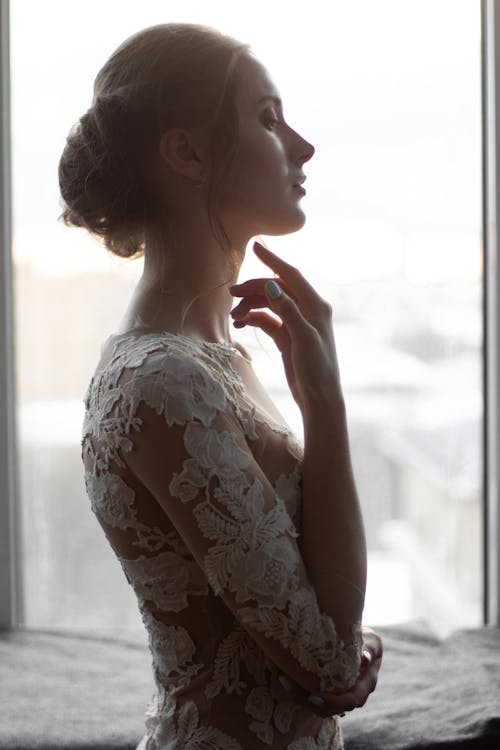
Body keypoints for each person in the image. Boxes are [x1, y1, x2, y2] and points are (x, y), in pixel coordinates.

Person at [57, 21, 383, 749]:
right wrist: (324, 404)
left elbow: (285, 602)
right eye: (268, 119)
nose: (302, 146)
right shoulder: (163, 382)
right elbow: (327, 659)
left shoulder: (216, 358)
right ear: (188, 153)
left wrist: (357, 642)